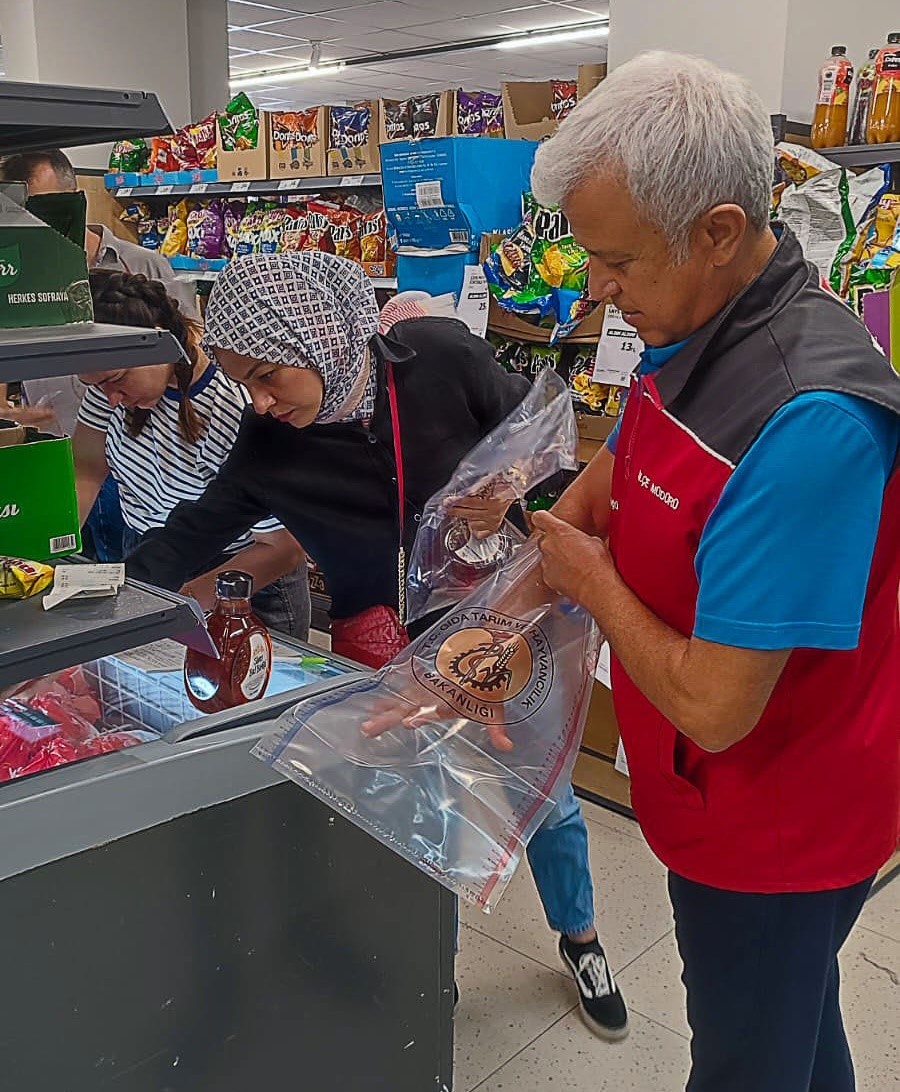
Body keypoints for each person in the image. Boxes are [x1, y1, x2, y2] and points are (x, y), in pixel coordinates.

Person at [127, 249, 629, 1040]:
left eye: (267, 376)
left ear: (315, 337)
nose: (257, 403)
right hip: (381, 642)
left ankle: (582, 937)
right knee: (426, 813)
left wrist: (519, 520)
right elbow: (190, 534)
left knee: (547, 797)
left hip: (497, 624)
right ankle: (438, 967)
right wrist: (101, 599)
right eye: (241, 383)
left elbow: (543, 445)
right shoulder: (270, 447)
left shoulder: (440, 359)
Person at [526, 51, 900, 1092]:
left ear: (720, 231)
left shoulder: (808, 420)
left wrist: (589, 580)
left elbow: (718, 705)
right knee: (797, 1034)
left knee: (745, 1062)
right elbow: (626, 454)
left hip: (776, 829)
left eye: (620, 262)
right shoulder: (697, 321)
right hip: (710, 803)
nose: (599, 287)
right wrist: (538, 565)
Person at [75, 269, 310, 638]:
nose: (111, 399)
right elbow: (86, 469)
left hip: (240, 576)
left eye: (116, 380)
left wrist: (177, 603)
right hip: (152, 556)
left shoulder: (237, 406)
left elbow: (283, 548)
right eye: (96, 385)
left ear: (155, 341)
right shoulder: (110, 387)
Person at [0, 148, 199, 560]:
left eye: (44, 213)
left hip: (149, 455)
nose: (34, 229)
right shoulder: (16, 282)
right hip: (67, 457)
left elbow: (190, 347)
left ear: (75, 201)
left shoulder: (143, 265)